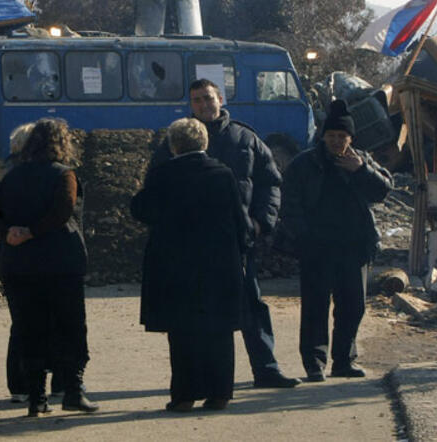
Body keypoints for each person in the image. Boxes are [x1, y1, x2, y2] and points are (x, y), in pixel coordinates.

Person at [147, 79, 300, 388]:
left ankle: (266, 369)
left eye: (208, 98)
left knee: (250, 304)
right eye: (197, 100)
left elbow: (270, 183)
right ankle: (204, 381)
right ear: (190, 105)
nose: (203, 105)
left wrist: (260, 222)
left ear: (220, 99)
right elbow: (154, 188)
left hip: (237, 239)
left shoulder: (245, 138)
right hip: (190, 246)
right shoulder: (175, 142)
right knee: (198, 313)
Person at [132, 118, 247, 412]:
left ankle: (184, 395)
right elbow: (239, 221)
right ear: (204, 142)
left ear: (174, 145)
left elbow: (142, 210)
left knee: (182, 332)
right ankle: (220, 392)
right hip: (218, 265)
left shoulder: (163, 174)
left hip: (175, 266)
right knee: (219, 330)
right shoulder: (222, 174)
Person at [0, 119, 98, 417]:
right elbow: (63, 210)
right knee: (70, 327)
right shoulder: (64, 175)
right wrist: (33, 231)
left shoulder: (8, 178)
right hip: (60, 262)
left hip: (18, 265)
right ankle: (72, 390)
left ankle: (37, 398)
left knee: (28, 329)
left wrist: (9, 233)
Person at [279, 100, 392, 382]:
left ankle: (344, 360)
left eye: (342, 137)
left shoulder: (360, 160)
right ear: (323, 137)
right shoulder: (304, 163)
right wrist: (302, 236)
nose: (337, 142)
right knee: (315, 308)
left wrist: (361, 170)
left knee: (352, 306)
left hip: (354, 247)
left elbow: (383, 190)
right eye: (332, 136)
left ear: (351, 139)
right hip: (316, 247)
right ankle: (314, 364)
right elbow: (288, 203)